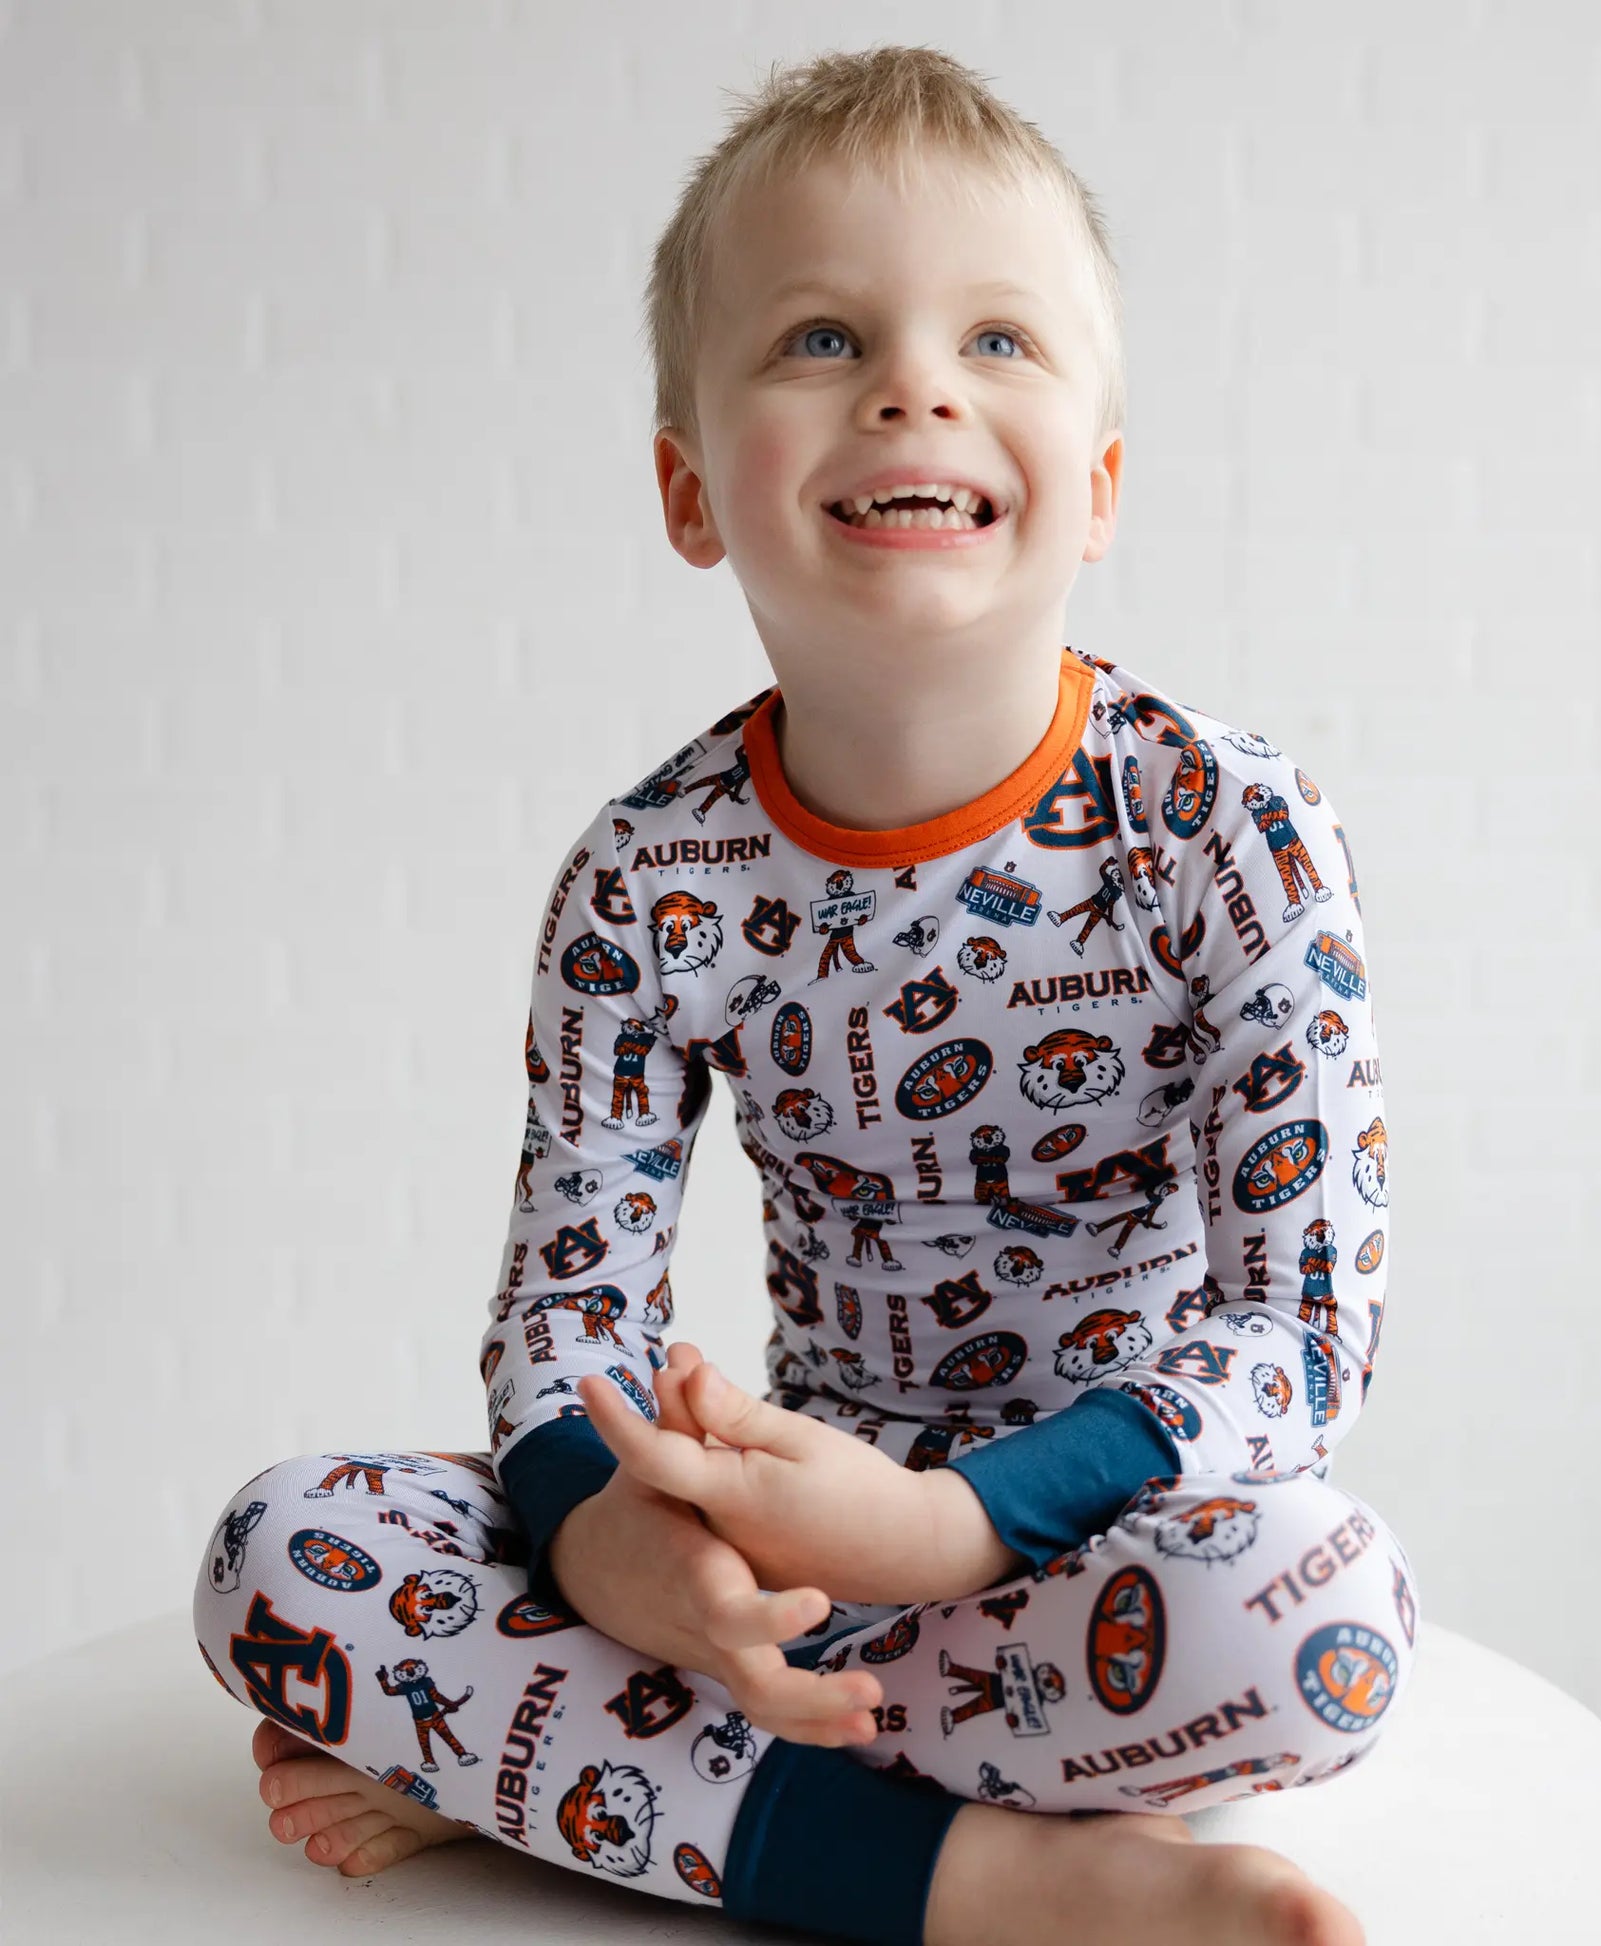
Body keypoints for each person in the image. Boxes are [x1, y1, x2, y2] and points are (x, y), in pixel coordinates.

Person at [191, 42, 1416, 1946]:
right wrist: (620, 1541)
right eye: (823, 338)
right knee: (285, 1550)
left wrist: (947, 1527)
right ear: (691, 488)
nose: (916, 381)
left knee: (1321, 1608)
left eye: (997, 338)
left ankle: (572, 1775)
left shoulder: (1230, 829)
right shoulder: (649, 873)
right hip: (777, 1552)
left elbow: (1303, 1332)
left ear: (1094, 488)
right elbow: (563, 1308)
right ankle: (1006, 1873)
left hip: (1097, 1559)